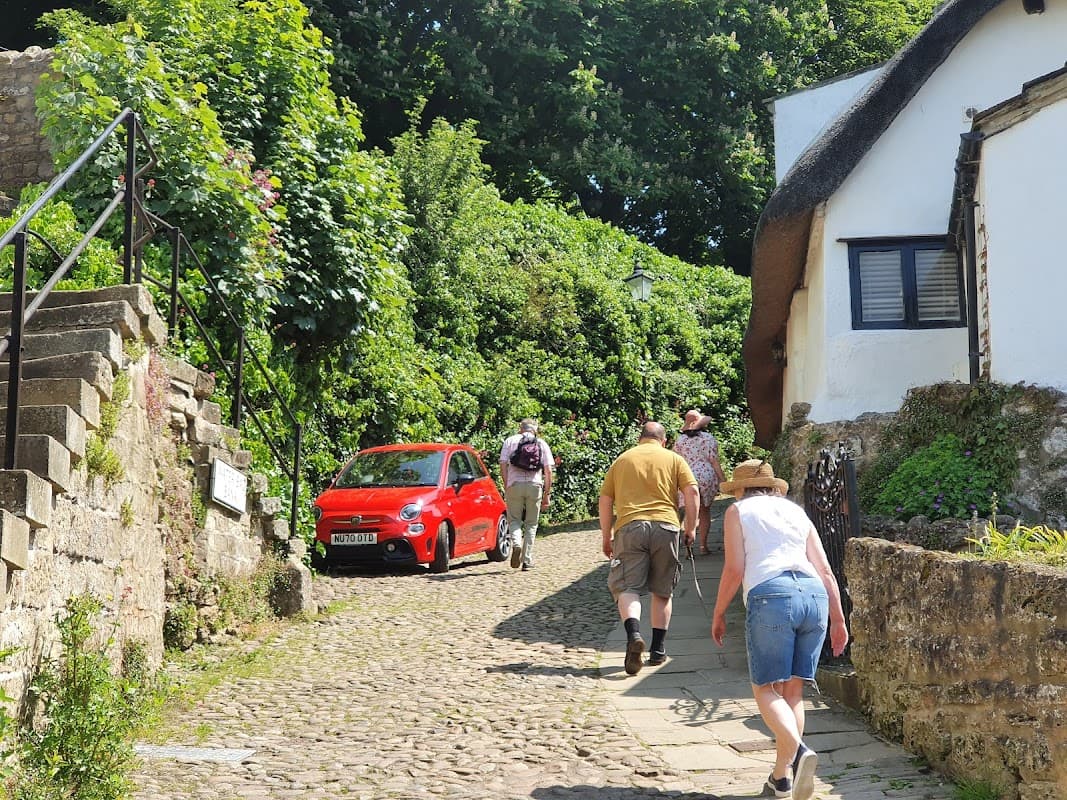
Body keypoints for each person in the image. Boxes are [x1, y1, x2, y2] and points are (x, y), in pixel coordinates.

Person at [710, 459, 849, 800]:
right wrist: (838, 618)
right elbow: (826, 570)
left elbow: (735, 568)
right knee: (793, 692)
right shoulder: (796, 512)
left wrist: (718, 612)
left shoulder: (738, 512)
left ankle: (800, 751)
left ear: (740, 490)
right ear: (773, 486)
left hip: (771, 594)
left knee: (765, 689)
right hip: (814, 594)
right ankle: (782, 777)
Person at [599, 421, 699, 675]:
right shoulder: (674, 459)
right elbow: (692, 492)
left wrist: (606, 537)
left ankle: (633, 635)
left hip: (630, 527)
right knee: (662, 590)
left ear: (639, 438)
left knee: (627, 587)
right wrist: (691, 527)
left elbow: (606, 499)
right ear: (663, 441)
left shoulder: (622, 460)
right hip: (666, 527)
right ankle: (657, 650)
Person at [499, 418, 554, 571]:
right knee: (531, 523)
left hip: (514, 485)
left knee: (514, 520)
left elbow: (502, 464)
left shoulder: (510, 441)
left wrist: (506, 484)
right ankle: (526, 560)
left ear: (520, 428)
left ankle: (516, 544)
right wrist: (547, 494)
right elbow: (548, 471)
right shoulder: (541, 443)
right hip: (535, 485)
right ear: (535, 430)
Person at [672, 409, 726, 555]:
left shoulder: (680, 441)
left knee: (689, 511)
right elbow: (714, 461)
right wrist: (723, 479)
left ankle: (688, 547)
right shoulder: (708, 438)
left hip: (686, 477)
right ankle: (703, 546)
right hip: (706, 477)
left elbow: (676, 462)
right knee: (704, 511)